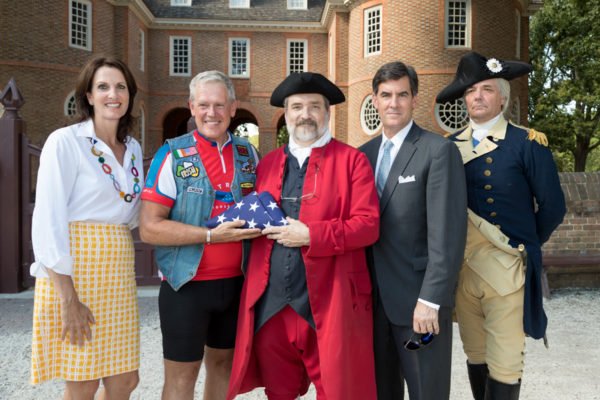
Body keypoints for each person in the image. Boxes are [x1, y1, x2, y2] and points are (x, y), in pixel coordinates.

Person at [226, 72, 380, 400]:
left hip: (330, 298)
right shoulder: (266, 163)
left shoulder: (354, 161)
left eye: (314, 106)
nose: (305, 114)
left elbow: (368, 225)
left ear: (326, 113)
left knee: (338, 391)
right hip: (272, 305)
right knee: (279, 392)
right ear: (286, 113)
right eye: (297, 107)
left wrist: (312, 235)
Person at [436, 51, 566, 399]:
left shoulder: (527, 144)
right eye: (470, 91)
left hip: (507, 271)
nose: (477, 96)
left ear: (503, 98)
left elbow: (553, 207)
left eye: (486, 89)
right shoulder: (447, 148)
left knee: (506, 362)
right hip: (464, 272)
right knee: (475, 354)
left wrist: (524, 247)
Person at [138, 70, 261, 400]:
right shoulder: (172, 155)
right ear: (192, 107)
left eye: (219, 105)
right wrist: (209, 237)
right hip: (186, 286)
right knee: (181, 380)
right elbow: (149, 227)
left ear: (233, 108)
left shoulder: (249, 154)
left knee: (224, 369)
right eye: (204, 104)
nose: (212, 113)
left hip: (237, 284)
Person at [30, 56, 143, 399]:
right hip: (76, 268)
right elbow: (48, 220)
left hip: (118, 267)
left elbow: (135, 211)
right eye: (103, 87)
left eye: (120, 86)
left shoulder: (134, 148)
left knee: (125, 378)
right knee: (82, 380)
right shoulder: (65, 142)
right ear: (89, 96)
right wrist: (69, 299)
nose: (113, 94)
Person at [359, 61, 468, 400]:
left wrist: (431, 301)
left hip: (419, 309)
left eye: (402, 95)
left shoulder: (438, 151)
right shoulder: (362, 156)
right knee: (380, 392)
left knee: (427, 391)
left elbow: (448, 235)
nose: (394, 103)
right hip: (372, 306)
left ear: (415, 99)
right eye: (386, 95)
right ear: (374, 100)